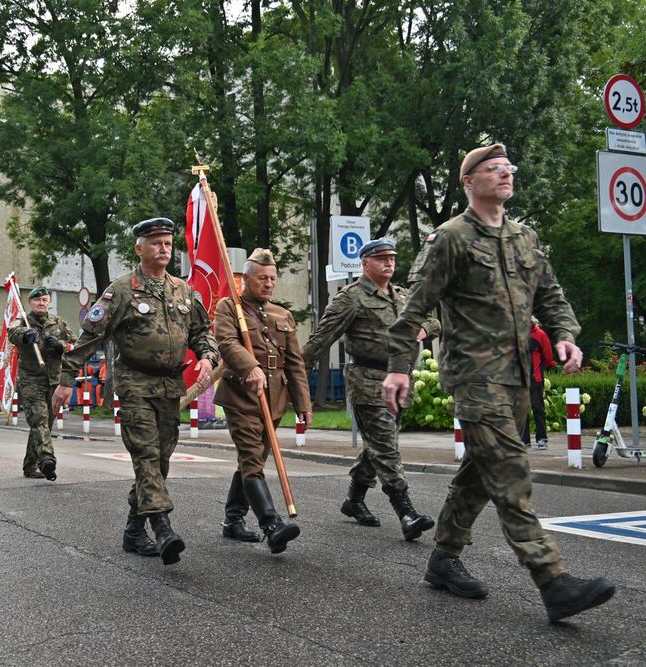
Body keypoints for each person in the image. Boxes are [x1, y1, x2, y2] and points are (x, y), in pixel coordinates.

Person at [382, 143, 616, 622]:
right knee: (510, 472)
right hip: (474, 378)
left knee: (480, 476)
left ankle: (443, 558)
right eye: (492, 168)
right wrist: (399, 366)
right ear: (468, 182)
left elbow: (552, 299)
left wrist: (566, 337)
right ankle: (552, 580)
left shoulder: (525, 238)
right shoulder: (449, 239)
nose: (504, 173)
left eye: (507, 168)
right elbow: (413, 310)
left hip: (516, 379)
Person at [52, 217, 219, 565]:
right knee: (145, 455)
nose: (164, 247)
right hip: (135, 384)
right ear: (139, 247)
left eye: (168, 242)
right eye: (155, 241)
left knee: (159, 460)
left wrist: (206, 356)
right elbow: (90, 337)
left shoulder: (184, 291)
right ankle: (163, 528)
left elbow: (203, 332)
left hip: (171, 385)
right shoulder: (123, 290)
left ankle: (133, 530)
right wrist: (67, 380)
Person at [302, 238, 439, 541]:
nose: (389, 263)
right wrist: (295, 372)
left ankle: (353, 501)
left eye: (391, 258)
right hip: (367, 381)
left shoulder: (403, 295)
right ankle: (407, 512)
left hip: (398, 379)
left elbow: (433, 319)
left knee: (376, 449)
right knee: (387, 449)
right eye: (381, 259)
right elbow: (321, 338)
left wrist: (424, 329)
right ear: (365, 264)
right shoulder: (350, 298)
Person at [214, 249, 309, 553]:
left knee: (252, 460)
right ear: (246, 279)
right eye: (262, 278)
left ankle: (233, 519)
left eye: (272, 279)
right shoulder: (230, 308)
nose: (269, 284)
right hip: (241, 395)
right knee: (253, 458)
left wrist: (303, 403)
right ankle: (271, 524)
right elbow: (227, 342)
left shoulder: (283, 314)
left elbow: (294, 362)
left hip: (275, 398)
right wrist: (249, 366)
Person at [7, 286, 76, 480]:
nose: (41, 303)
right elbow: (12, 333)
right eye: (37, 300)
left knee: (44, 424)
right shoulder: (22, 320)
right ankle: (47, 459)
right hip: (31, 380)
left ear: (49, 302)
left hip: (54, 380)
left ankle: (29, 465)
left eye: (45, 300)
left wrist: (60, 346)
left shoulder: (58, 323)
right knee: (39, 419)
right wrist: (25, 335)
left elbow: (76, 345)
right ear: (30, 303)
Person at [523, 320, 554, 450]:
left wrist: (538, 370)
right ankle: (524, 441)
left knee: (538, 408)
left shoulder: (541, 335)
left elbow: (548, 357)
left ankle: (542, 439)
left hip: (536, 378)